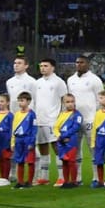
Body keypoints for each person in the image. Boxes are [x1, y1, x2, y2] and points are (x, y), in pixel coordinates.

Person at [67, 55, 104, 184]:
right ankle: (77, 178)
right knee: (75, 149)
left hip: (90, 119)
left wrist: (96, 117)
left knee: (93, 148)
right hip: (74, 119)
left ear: (88, 64)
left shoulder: (95, 80)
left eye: (81, 62)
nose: (79, 64)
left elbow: (100, 99)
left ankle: (96, 178)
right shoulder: (70, 80)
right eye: (77, 62)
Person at [31, 58, 66, 186]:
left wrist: (61, 119)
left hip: (53, 120)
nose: (43, 68)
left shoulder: (59, 82)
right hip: (40, 119)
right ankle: (44, 177)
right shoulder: (37, 83)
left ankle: (62, 177)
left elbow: (64, 100)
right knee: (43, 147)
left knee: (57, 147)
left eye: (45, 66)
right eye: (41, 66)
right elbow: (34, 101)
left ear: (53, 68)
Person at [52, 93, 82, 188]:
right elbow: (56, 127)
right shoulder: (61, 114)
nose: (70, 104)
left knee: (71, 161)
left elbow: (75, 127)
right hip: (61, 142)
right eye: (67, 102)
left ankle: (73, 181)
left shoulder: (77, 115)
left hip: (71, 141)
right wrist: (59, 136)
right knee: (64, 161)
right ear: (63, 103)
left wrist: (63, 136)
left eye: (72, 101)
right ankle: (66, 181)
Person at [10, 91, 37, 188]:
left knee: (30, 161)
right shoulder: (17, 114)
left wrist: (32, 142)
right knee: (19, 160)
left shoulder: (32, 114)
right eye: (19, 101)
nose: (20, 103)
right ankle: (20, 181)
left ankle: (29, 182)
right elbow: (14, 128)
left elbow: (34, 129)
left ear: (28, 102)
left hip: (28, 139)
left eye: (22, 101)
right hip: (19, 139)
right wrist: (13, 142)